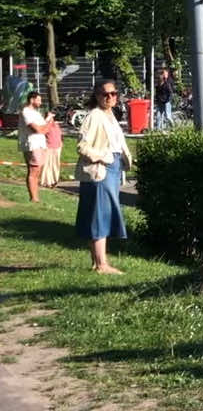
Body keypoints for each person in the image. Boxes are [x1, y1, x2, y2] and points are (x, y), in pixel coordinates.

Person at [75, 79, 132, 273]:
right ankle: (101, 264)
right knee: (99, 216)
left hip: (113, 169)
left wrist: (124, 159)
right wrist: (103, 157)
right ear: (97, 96)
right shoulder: (94, 116)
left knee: (102, 214)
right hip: (101, 170)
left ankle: (97, 262)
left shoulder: (111, 115)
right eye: (104, 94)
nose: (109, 97)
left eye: (113, 93)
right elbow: (82, 146)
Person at [18, 89, 53, 203]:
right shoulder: (26, 111)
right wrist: (47, 125)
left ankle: (36, 197)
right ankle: (34, 198)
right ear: (32, 100)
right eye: (38, 100)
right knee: (33, 170)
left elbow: (44, 128)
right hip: (32, 144)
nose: (40, 102)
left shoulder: (36, 113)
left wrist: (48, 120)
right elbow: (38, 129)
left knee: (38, 171)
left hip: (40, 144)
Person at [40, 113, 63, 188]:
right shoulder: (45, 125)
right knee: (47, 165)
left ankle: (54, 180)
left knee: (55, 165)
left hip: (57, 147)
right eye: (50, 116)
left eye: (52, 117)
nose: (52, 118)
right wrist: (47, 120)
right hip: (48, 147)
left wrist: (61, 143)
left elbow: (60, 135)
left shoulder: (56, 125)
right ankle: (46, 181)